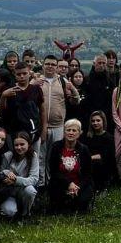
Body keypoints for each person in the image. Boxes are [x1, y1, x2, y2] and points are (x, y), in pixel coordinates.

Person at [39, 54, 80, 187]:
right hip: (40, 126)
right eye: (47, 64)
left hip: (58, 126)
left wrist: (72, 89)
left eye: (53, 64)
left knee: (55, 157)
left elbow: (76, 101)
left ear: (57, 67)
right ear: (43, 65)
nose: (50, 67)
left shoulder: (62, 82)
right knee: (40, 157)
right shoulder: (37, 81)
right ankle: (40, 185)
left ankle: (53, 184)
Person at [47, 119, 94, 214]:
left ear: (79, 133)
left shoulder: (84, 149)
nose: (71, 133)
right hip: (61, 183)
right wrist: (68, 184)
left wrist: (77, 187)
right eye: (68, 130)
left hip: (79, 184)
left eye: (74, 130)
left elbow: (87, 174)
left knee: (82, 204)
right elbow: (54, 171)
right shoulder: (56, 147)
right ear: (64, 132)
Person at [0, 62, 46, 150]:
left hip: (34, 132)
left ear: (29, 73)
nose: (22, 76)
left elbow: (42, 111)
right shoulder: (9, 89)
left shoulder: (36, 89)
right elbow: (2, 111)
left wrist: (44, 130)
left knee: (34, 159)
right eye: (19, 74)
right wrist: (3, 96)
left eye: (24, 73)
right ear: (14, 74)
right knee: (15, 160)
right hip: (14, 133)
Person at [0, 132, 39, 218]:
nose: (19, 147)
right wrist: (7, 172)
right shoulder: (8, 156)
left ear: (28, 144)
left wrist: (15, 180)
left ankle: (25, 214)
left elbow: (34, 179)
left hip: (24, 190)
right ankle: (14, 211)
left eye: (22, 144)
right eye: (16, 145)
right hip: (9, 192)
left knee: (30, 191)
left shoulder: (33, 156)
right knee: (8, 211)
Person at [85, 111, 117, 192]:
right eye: (93, 121)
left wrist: (89, 158)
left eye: (98, 120)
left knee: (97, 162)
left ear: (103, 121)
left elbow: (105, 155)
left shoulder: (109, 137)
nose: (95, 123)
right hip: (89, 162)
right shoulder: (88, 136)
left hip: (104, 164)